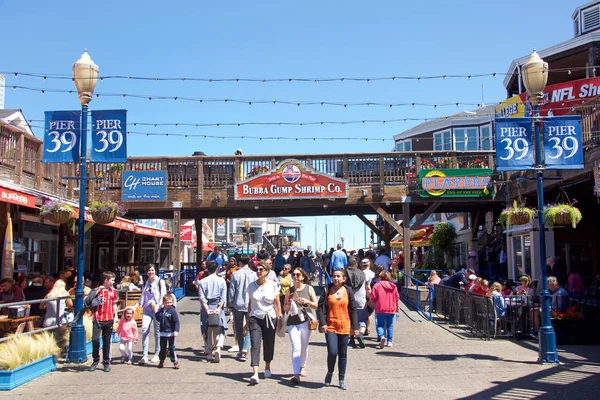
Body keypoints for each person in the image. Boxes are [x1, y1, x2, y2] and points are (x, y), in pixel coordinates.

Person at [317, 269, 359, 391]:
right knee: (332, 352)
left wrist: (355, 327)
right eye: (334, 276)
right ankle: (330, 372)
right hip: (330, 326)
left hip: (345, 326)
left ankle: (341, 379)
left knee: (343, 354)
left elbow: (353, 309)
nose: (336, 278)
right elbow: (320, 308)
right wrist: (323, 323)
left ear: (344, 278)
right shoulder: (327, 290)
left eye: (338, 276)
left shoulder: (348, 291)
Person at [247, 261, 282, 384]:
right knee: (255, 344)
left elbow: (277, 303)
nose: (259, 271)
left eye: (261, 269)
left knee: (268, 343)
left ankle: (267, 366)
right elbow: (250, 303)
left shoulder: (273, 285)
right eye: (257, 269)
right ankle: (255, 373)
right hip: (255, 317)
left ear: (267, 272)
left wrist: (279, 318)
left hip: (269, 317)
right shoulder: (251, 286)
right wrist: (248, 317)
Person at [284, 268, 317, 385]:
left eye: (298, 274)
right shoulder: (289, 291)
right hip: (293, 321)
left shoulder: (309, 288)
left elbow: (315, 305)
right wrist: (288, 303)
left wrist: (307, 302)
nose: (295, 277)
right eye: (293, 275)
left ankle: (302, 366)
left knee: (304, 346)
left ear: (303, 277)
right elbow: (285, 308)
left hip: (305, 321)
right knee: (295, 346)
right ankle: (296, 374)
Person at [198, 260, 227, 362]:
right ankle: (218, 347)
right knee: (220, 328)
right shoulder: (222, 281)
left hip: (207, 307)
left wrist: (206, 309)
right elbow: (223, 297)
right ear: (216, 269)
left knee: (207, 330)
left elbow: (202, 298)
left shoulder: (202, 282)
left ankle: (209, 352)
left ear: (207, 269)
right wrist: (219, 308)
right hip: (218, 306)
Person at [89, 271, 118, 372]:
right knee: (95, 340)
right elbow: (88, 301)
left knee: (107, 341)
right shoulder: (97, 290)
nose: (113, 282)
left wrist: (116, 316)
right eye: (112, 280)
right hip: (98, 319)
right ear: (106, 281)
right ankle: (95, 360)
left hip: (109, 319)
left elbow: (114, 304)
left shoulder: (113, 291)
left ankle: (106, 362)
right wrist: (96, 292)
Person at [138, 264, 167, 364]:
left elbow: (163, 294)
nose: (151, 272)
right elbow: (143, 296)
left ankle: (157, 354)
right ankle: (145, 355)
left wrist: (158, 306)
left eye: (152, 270)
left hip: (157, 309)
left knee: (157, 332)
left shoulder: (160, 281)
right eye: (149, 270)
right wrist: (137, 305)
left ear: (155, 271)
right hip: (147, 309)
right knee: (145, 329)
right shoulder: (145, 283)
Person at [370, 271, 400, 348]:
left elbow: (373, 297)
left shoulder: (377, 285)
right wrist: (397, 307)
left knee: (380, 325)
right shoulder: (393, 286)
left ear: (380, 277)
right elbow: (397, 298)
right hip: (391, 308)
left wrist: (371, 303)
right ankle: (389, 341)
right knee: (390, 325)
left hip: (380, 308)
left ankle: (382, 336)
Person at [346, 258, 367, 348]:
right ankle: (361, 334)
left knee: (350, 320)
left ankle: (351, 339)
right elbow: (367, 287)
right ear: (356, 264)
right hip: (361, 299)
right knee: (362, 320)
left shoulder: (345, 273)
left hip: (349, 299)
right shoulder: (362, 273)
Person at [156, 294, 180, 369]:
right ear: (163, 303)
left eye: (170, 302)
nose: (169, 304)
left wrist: (176, 330)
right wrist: (156, 310)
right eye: (167, 302)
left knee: (171, 347)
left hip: (170, 333)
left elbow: (176, 321)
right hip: (162, 332)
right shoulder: (161, 311)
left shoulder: (173, 311)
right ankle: (161, 360)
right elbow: (157, 317)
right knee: (162, 347)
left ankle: (175, 361)